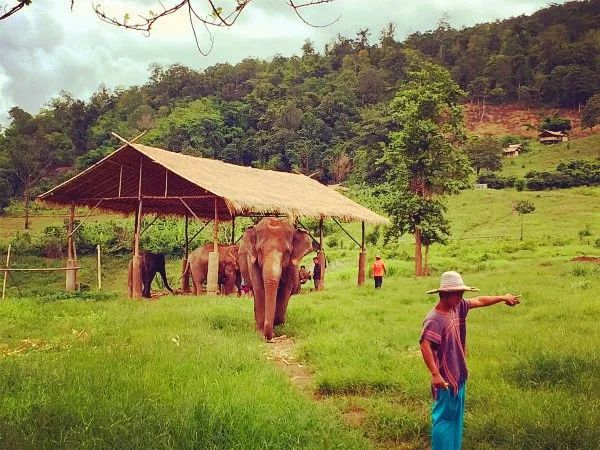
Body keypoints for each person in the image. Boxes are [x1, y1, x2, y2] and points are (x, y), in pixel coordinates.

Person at [419, 271, 520, 450]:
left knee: (455, 419)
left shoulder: (457, 307)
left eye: (462, 293)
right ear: (446, 294)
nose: (461, 297)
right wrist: (435, 374)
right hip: (444, 380)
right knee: (444, 419)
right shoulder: (434, 319)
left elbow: (480, 301)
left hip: (458, 375)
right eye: (458, 293)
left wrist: (503, 297)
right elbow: (425, 344)